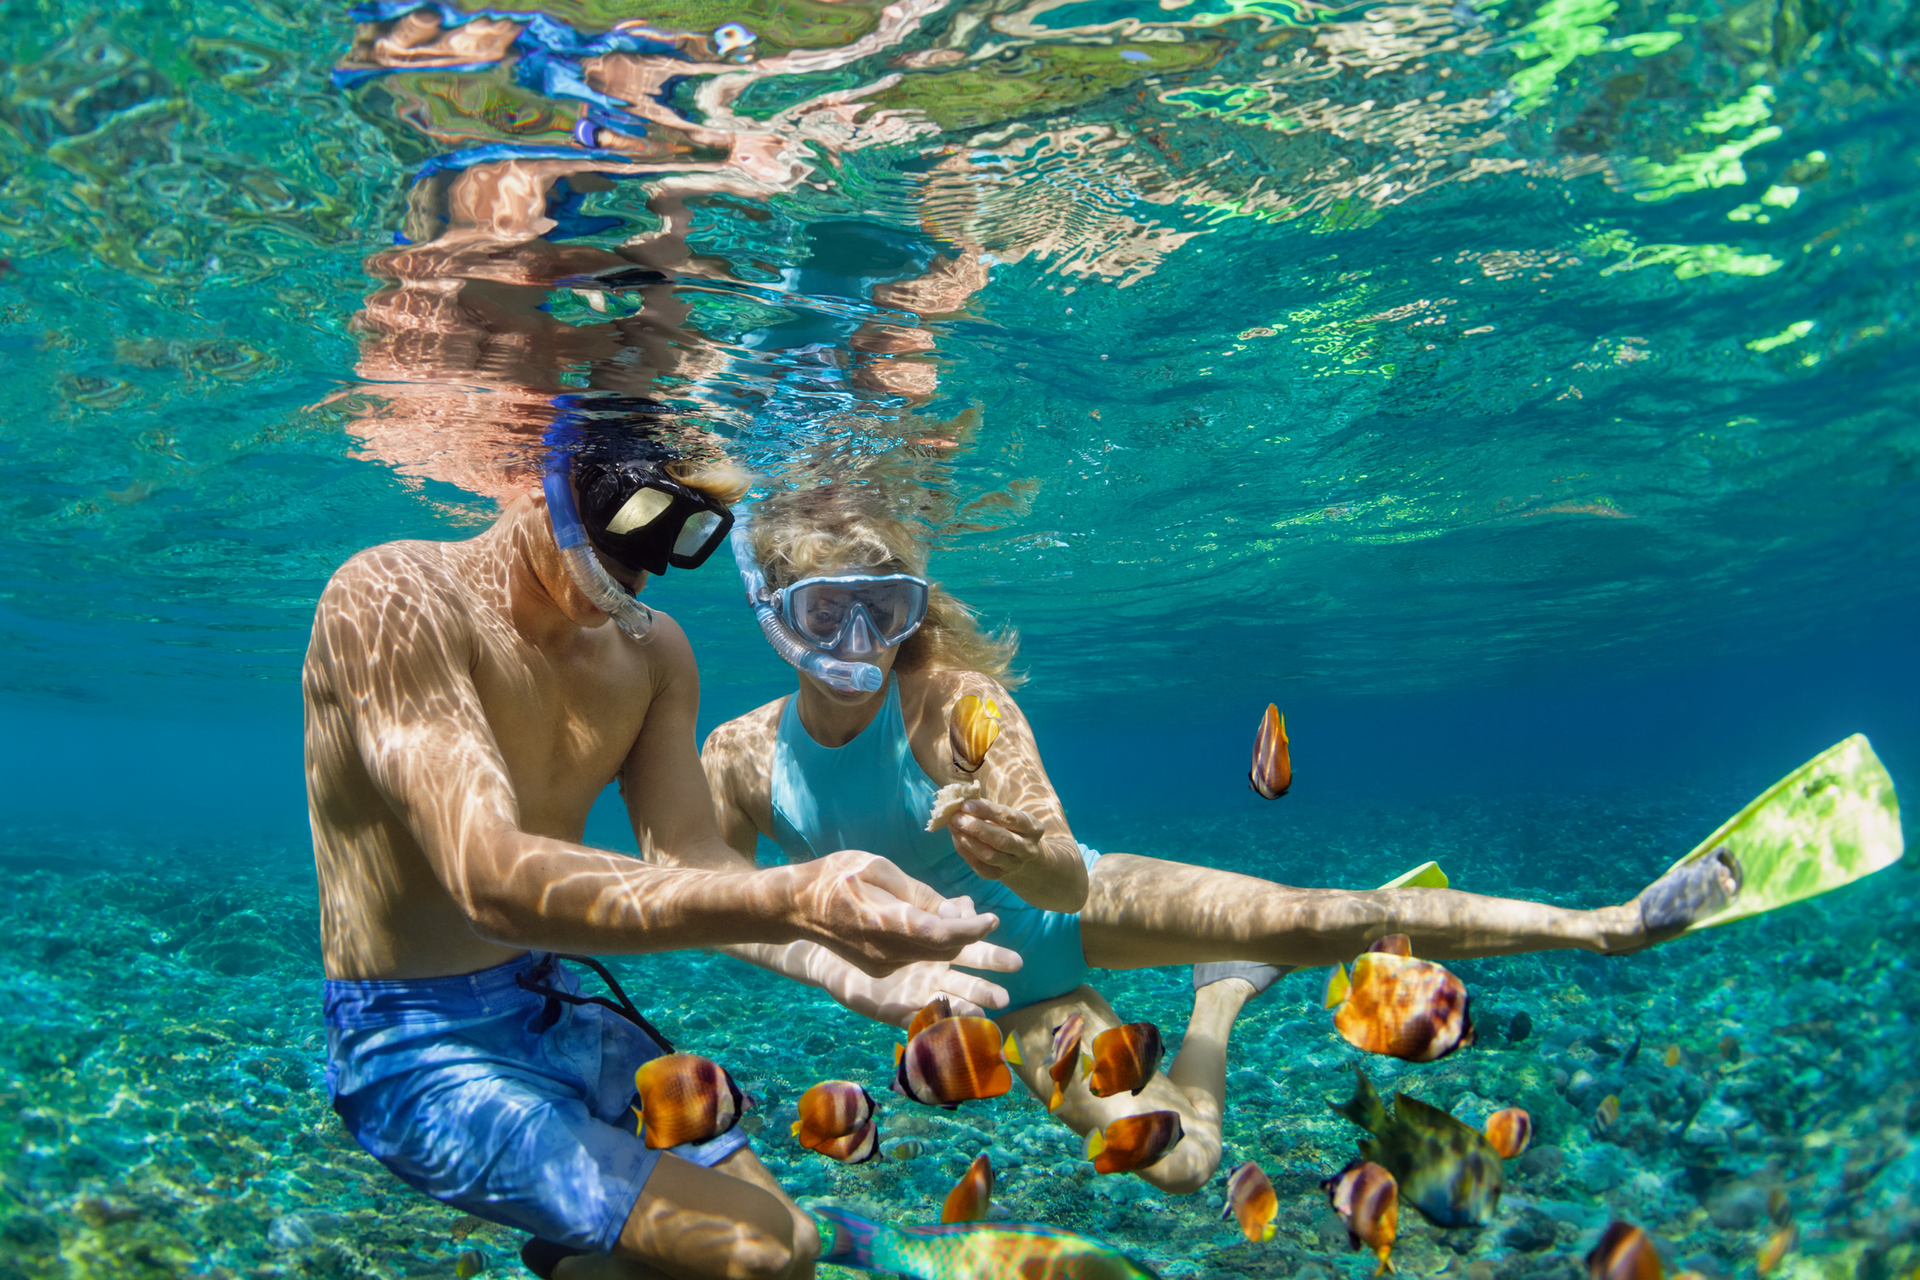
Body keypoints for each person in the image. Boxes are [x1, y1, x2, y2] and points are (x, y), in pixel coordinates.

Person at [691, 465, 1741, 1197]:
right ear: (775, 609)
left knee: (1334, 916)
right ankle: (1223, 991)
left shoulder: (960, 705)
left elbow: (1061, 879)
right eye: (831, 611)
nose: (862, 640)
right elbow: (702, 900)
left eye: (888, 606)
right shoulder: (740, 756)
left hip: (1084, 902)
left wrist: (1024, 851)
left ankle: (1607, 922)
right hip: (1004, 997)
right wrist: (832, 960)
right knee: (1185, 1164)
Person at [303, 427, 1019, 1280]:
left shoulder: (653, 651)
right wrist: (795, 900)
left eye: (678, 541)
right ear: (549, 476)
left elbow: (689, 857)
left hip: (554, 1005)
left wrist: (833, 964)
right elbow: (484, 876)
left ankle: (571, 1257)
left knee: (773, 1249)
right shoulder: (391, 595)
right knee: (764, 1252)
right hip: (415, 1044)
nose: (637, 575)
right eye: (624, 531)